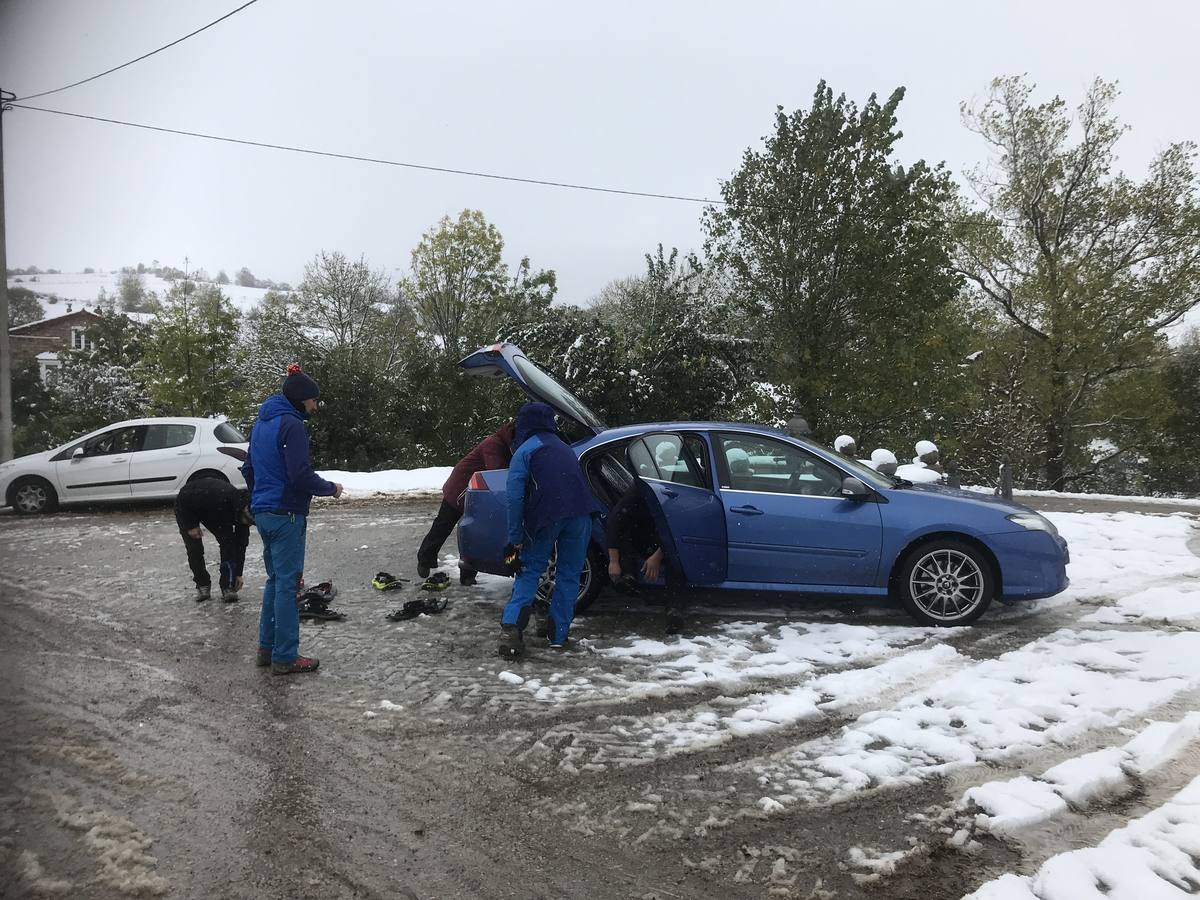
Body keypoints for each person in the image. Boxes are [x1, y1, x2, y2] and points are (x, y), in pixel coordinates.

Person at [242, 364, 343, 675]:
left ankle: (266, 649)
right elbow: (300, 475)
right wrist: (331, 489)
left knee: (275, 583)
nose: (315, 406)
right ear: (301, 399)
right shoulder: (293, 424)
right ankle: (285, 657)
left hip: (264, 512)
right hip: (286, 514)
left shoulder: (262, 423)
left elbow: (248, 469)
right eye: (313, 400)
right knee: (288, 587)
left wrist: (260, 499)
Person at [497, 402, 599, 658]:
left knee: (529, 570)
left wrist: (515, 538)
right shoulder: (566, 448)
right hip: (581, 514)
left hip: (547, 517)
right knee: (569, 574)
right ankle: (558, 634)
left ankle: (511, 632)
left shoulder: (525, 451)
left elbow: (514, 498)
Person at [417, 421, 516, 585]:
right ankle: (425, 559)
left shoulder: (504, 444)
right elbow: (497, 471)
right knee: (443, 526)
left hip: (478, 492)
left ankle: (467, 573)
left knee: (474, 531)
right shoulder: (494, 445)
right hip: (460, 488)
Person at [606, 480, 686, 634]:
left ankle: (674, 610)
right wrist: (613, 562)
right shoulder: (635, 494)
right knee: (624, 536)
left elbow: (676, 533)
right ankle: (628, 578)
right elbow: (614, 525)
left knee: (676, 560)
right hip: (640, 537)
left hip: (665, 542)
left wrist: (657, 556)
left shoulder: (673, 496)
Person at [175, 476, 252, 602]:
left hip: (216, 510)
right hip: (187, 506)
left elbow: (241, 545)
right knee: (195, 548)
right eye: (247, 522)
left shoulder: (242, 510)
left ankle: (228, 586)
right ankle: (202, 584)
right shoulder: (221, 501)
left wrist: (238, 573)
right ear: (242, 514)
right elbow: (183, 501)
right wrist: (189, 525)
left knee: (229, 544)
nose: (248, 525)